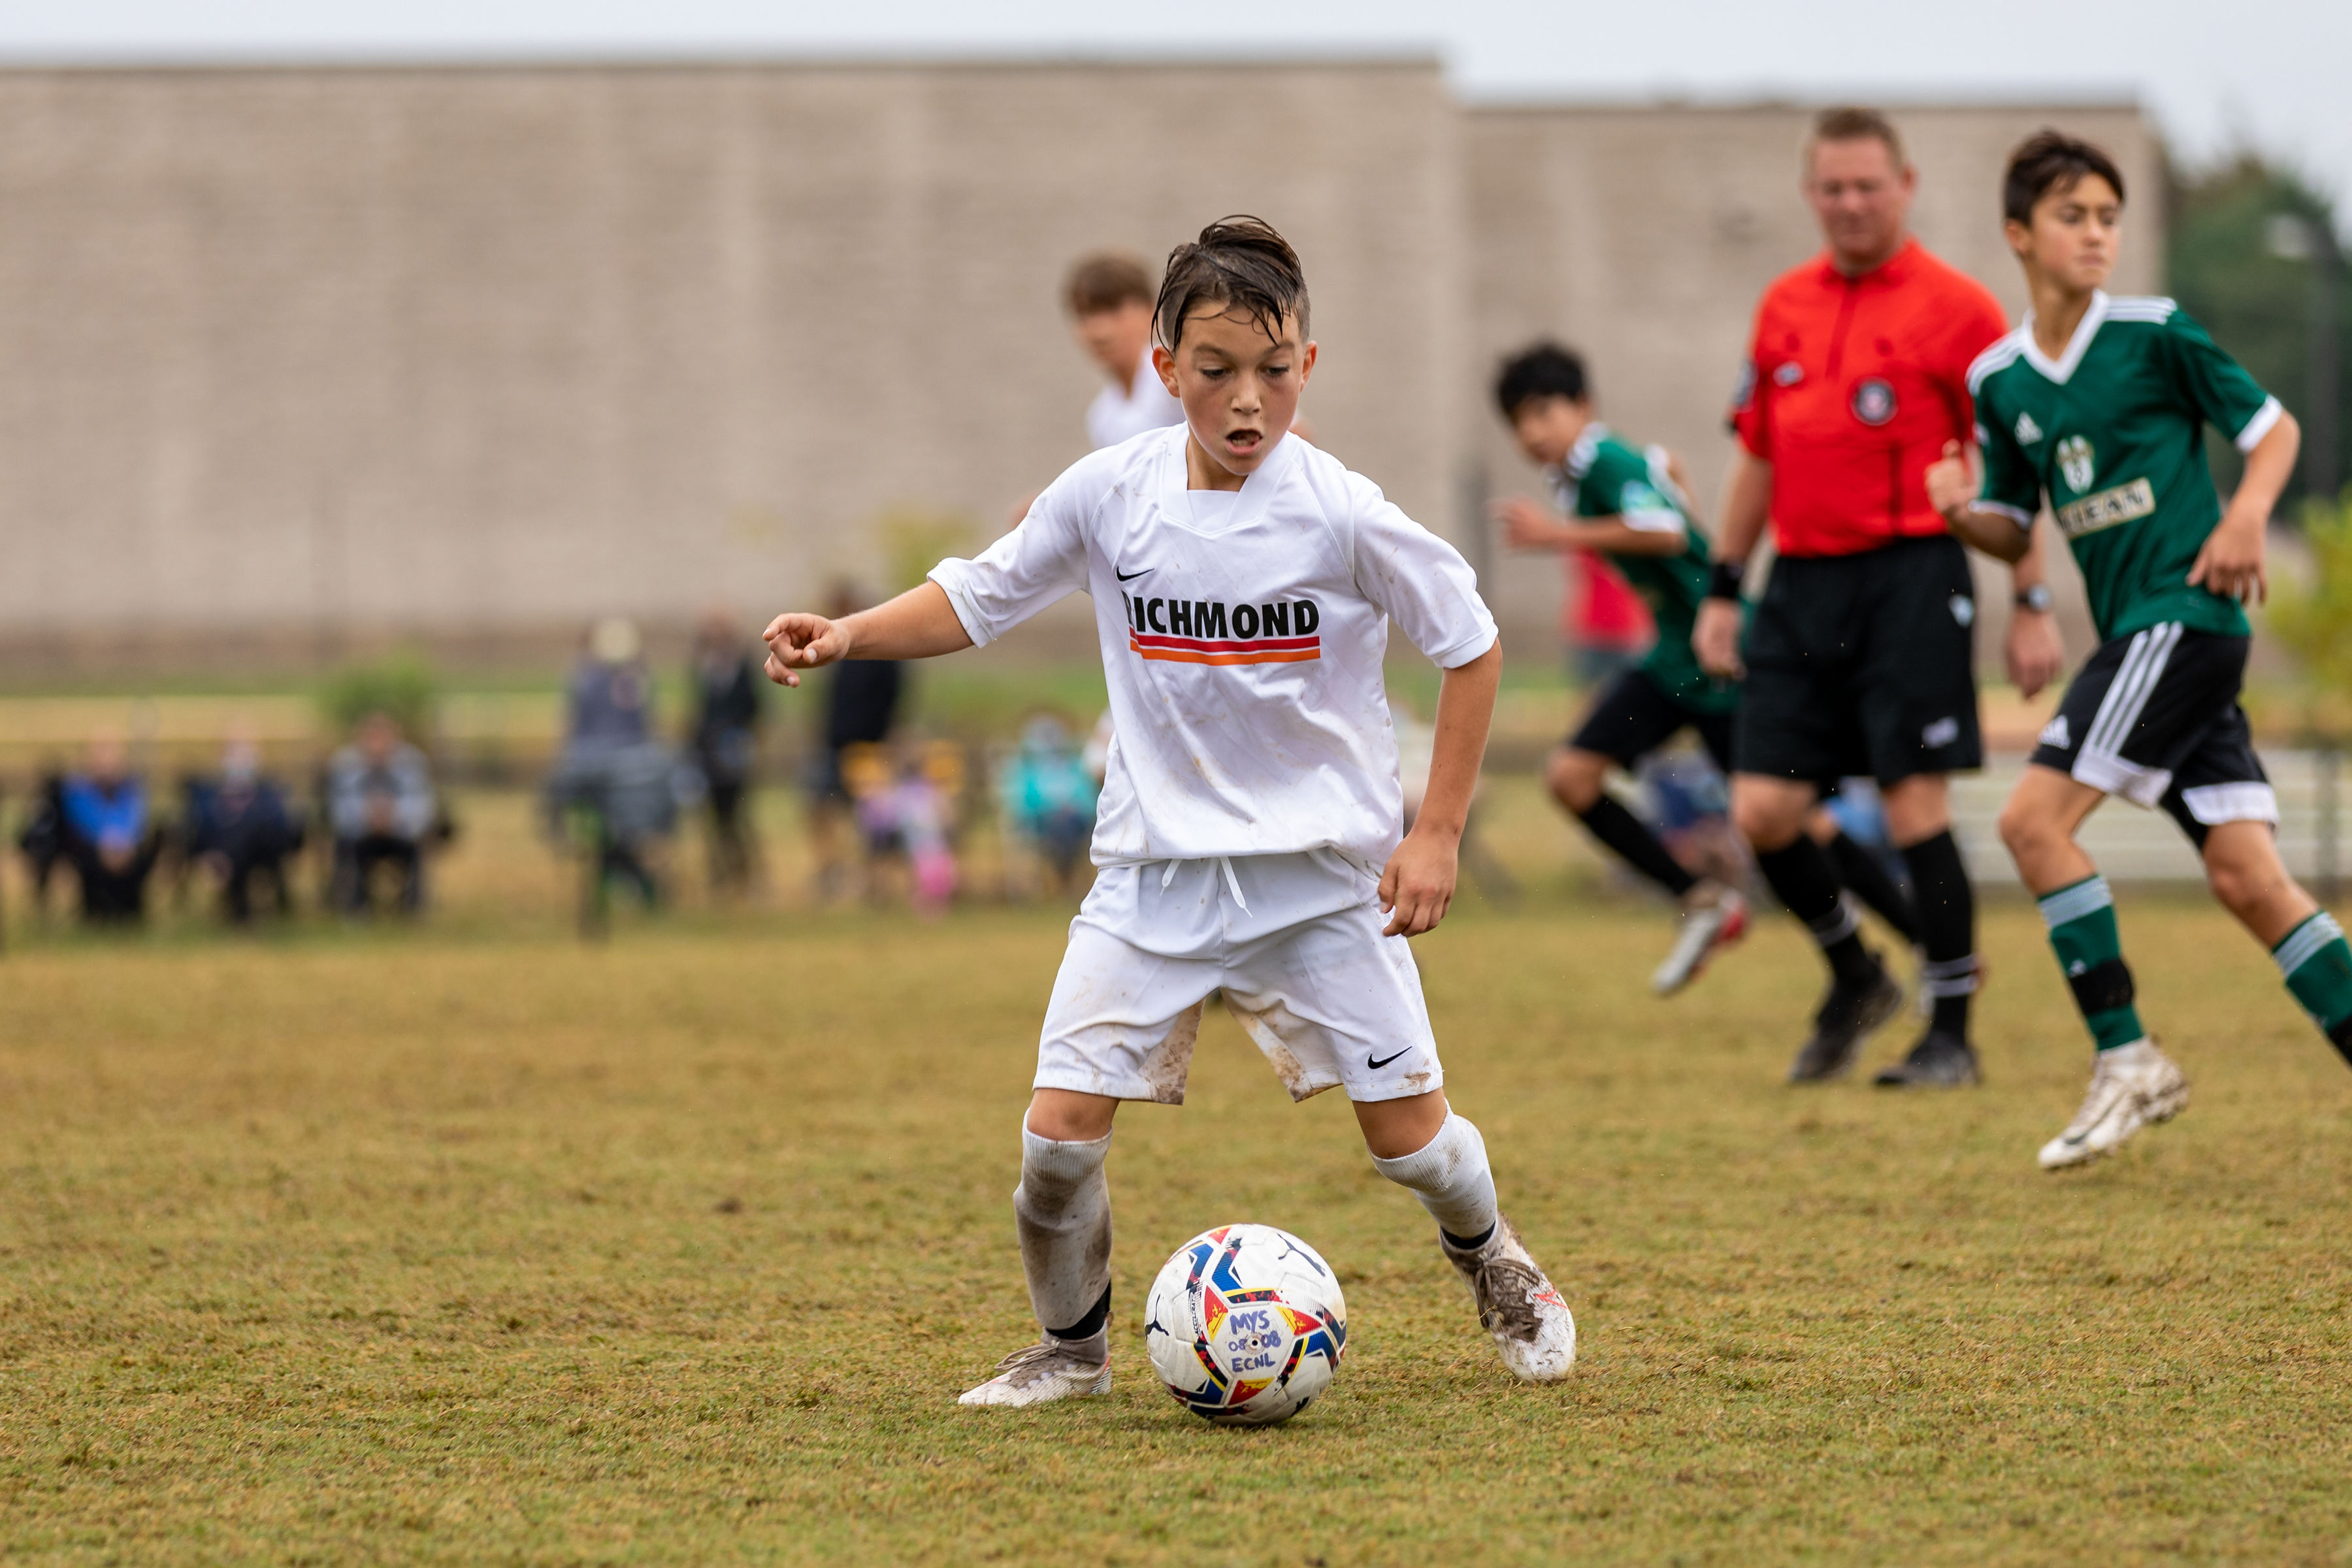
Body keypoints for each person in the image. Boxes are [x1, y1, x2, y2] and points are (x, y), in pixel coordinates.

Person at [763, 217, 1576, 1406]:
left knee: (1414, 1148)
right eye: (1216, 372)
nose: (1248, 401)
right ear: (1164, 368)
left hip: (1320, 883)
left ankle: (1491, 1255)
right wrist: (848, 634)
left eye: (1275, 371)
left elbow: (1474, 642)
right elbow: (980, 594)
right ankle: (1073, 1351)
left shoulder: (1343, 512)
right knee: (1053, 1147)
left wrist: (1436, 829)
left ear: (1310, 363)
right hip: (1152, 880)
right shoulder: (1110, 493)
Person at [1936, 131, 2339, 1169]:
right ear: (2020, 234)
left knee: (2032, 825)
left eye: (2110, 217)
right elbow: (2011, 524)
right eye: (2075, 216)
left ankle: (2127, 1057)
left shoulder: (2156, 332)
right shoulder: (2001, 380)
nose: (2098, 235)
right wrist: (1959, 512)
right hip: (2143, 636)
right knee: (2251, 880)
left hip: (2186, 619)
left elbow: (2275, 429)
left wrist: (2248, 514)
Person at [1693, 106, 2066, 1087]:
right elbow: (1759, 458)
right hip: (1801, 582)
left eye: (1868, 186)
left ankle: (1952, 1032)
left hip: (1914, 575)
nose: (1851, 204)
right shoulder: (1783, 305)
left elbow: (2012, 466)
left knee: (1913, 804)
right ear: (1810, 194)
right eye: (1833, 188)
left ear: (1904, 187)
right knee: (1765, 807)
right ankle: (1856, 972)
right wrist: (1725, 587)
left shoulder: (1961, 309)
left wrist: (2030, 600)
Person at [1494, 342, 1920, 994]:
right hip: (1677, 661)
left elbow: (1664, 530)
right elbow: (1674, 513)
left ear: (1584, 406)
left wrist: (1558, 536)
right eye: (1519, 420)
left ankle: (1924, 952)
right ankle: (1704, 899)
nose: (1531, 432)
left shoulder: (1603, 459)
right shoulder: (1590, 471)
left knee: (1797, 823)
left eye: (1544, 412)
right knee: (1572, 777)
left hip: (1724, 660)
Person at [803, 584, 904, 902]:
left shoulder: (879, 649)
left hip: (868, 747)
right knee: (820, 807)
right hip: (836, 745)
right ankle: (833, 871)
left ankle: (875, 880)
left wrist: (882, 736)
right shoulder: (839, 650)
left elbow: (892, 697)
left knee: (872, 819)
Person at [1068, 251, 1186, 451]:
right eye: (1086, 315)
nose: (1099, 331)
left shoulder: (1176, 379)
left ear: (1152, 311)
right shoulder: (1101, 416)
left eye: (1114, 311)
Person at [183, 732, 305, 924]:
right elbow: (202, 825)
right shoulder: (211, 792)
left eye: (245, 750)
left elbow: (279, 824)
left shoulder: (268, 789)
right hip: (224, 848)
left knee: (246, 828)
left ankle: (225, 867)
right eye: (234, 750)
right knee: (236, 839)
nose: (240, 759)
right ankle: (239, 901)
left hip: (262, 849)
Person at [690, 607, 767, 896]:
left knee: (738, 815)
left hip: (734, 749)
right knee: (713, 817)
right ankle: (720, 873)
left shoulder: (743, 665)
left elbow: (755, 706)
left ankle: (748, 872)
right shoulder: (703, 665)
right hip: (707, 751)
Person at [329, 711, 436, 914]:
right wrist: (367, 818)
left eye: (384, 738)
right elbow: (338, 808)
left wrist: (393, 818)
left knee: (418, 847)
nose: (378, 744)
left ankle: (413, 906)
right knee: (347, 847)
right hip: (359, 834)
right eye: (372, 738)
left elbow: (424, 806)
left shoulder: (413, 763)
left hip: (402, 833)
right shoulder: (345, 764)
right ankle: (357, 906)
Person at [56, 732, 164, 923]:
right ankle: (97, 913)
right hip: (91, 847)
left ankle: (130, 912)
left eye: (110, 753)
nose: (105, 760)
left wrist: (121, 840)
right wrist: (106, 840)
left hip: (127, 847)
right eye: (100, 753)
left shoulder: (131, 786)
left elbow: (136, 817)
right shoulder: (78, 787)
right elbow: (81, 817)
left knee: (150, 845)